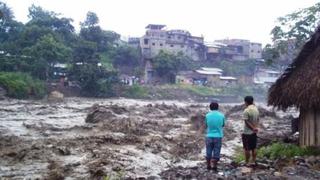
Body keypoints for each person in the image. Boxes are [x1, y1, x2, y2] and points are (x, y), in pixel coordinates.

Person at [205, 102, 225, 171]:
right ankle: (214, 166)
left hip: (209, 135)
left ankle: (208, 165)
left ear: (210, 108)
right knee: (216, 151)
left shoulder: (207, 115)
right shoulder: (221, 115)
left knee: (208, 150)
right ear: (217, 107)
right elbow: (222, 125)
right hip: (218, 136)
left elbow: (206, 125)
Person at [242, 96, 260, 166]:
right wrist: (256, 128)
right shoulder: (256, 109)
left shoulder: (246, 110)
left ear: (246, 102)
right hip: (254, 132)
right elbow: (258, 119)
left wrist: (252, 128)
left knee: (247, 148)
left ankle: (247, 162)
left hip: (247, 132)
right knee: (254, 147)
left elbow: (246, 121)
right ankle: (254, 160)